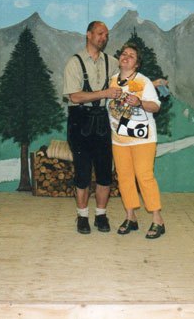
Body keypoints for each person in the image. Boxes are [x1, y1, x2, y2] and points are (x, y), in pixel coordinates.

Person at [63, 21, 122, 234]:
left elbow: (129, 80)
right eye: (99, 33)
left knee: (105, 173)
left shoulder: (112, 62)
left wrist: (151, 85)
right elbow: (74, 96)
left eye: (106, 35)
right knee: (83, 173)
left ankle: (101, 215)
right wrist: (104, 93)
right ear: (88, 35)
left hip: (103, 121)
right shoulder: (74, 63)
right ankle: (82, 217)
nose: (103, 38)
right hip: (80, 121)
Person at [107, 43, 165, 239]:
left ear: (137, 64)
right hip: (119, 140)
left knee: (144, 176)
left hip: (142, 139)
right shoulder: (112, 80)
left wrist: (140, 102)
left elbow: (156, 106)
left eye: (131, 55)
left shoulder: (143, 81)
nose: (126, 57)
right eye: (124, 53)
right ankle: (130, 217)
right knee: (124, 177)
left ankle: (157, 219)